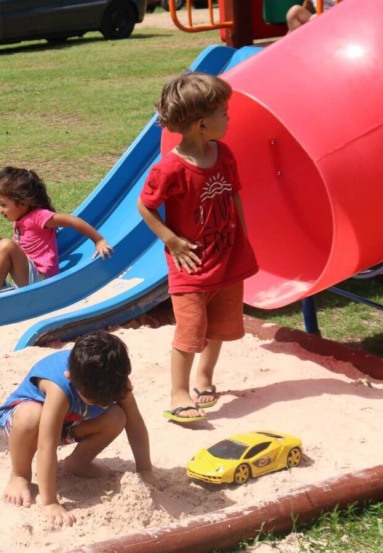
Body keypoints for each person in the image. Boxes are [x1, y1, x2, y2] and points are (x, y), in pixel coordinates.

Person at [137, 71, 258, 423]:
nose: (229, 117)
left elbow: (233, 193)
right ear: (202, 125)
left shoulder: (224, 154)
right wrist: (171, 240)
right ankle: (179, 391)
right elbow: (144, 206)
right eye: (223, 112)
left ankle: (205, 376)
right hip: (191, 266)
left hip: (227, 256)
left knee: (220, 325)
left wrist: (243, 238)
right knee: (190, 331)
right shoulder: (170, 169)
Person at [0, 331, 153, 527]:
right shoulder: (60, 387)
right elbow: (46, 446)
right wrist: (50, 502)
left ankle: (78, 463)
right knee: (30, 415)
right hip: (27, 423)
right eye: (93, 400)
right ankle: (19, 475)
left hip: (69, 423)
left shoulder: (116, 381)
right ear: (70, 378)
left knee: (118, 416)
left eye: (105, 400)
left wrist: (145, 469)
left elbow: (135, 422)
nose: (101, 403)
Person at [0, 166, 113, 300]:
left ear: (23, 203)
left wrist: (98, 240)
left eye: (3, 205)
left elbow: (72, 221)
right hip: (25, 274)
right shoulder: (20, 215)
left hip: (41, 280)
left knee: (5, 245)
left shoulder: (39, 216)